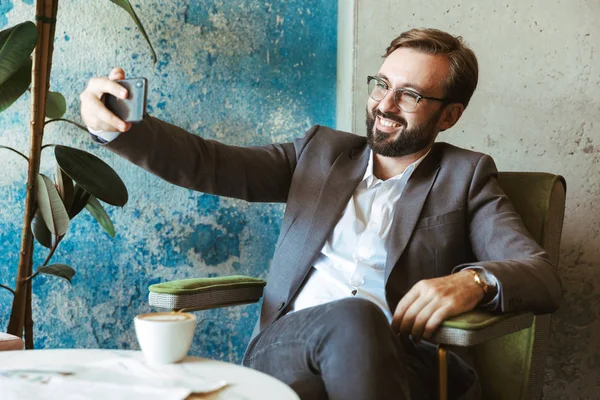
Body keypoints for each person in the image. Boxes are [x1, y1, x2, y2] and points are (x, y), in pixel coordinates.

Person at [79, 28, 561, 400]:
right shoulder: (320, 153)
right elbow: (211, 163)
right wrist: (120, 128)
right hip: (287, 350)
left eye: (410, 95)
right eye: (382, 85)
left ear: (449, 115)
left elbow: (540, 275)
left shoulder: (466, 175)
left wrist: (474, 282)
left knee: (359, 324)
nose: (385, 105)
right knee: (351, 317)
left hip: (402, 361)